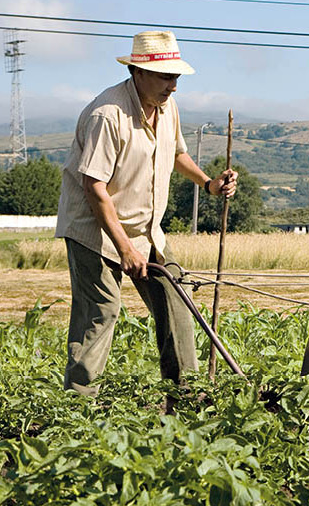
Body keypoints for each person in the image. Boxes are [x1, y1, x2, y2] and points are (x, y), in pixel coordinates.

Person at [55, 30, 237, 401]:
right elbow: (95, 188)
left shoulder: (167, 108)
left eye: (176, 78)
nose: (173, 86)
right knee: (100, 313)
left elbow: (176, 154)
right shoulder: (109, 115)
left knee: (177, 299)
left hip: (146, 231)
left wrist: (209, 184)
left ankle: (185, 398)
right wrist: (124, 249)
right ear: (138, 72)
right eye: (166, 77)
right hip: (95, 230)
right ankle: (78, 408)